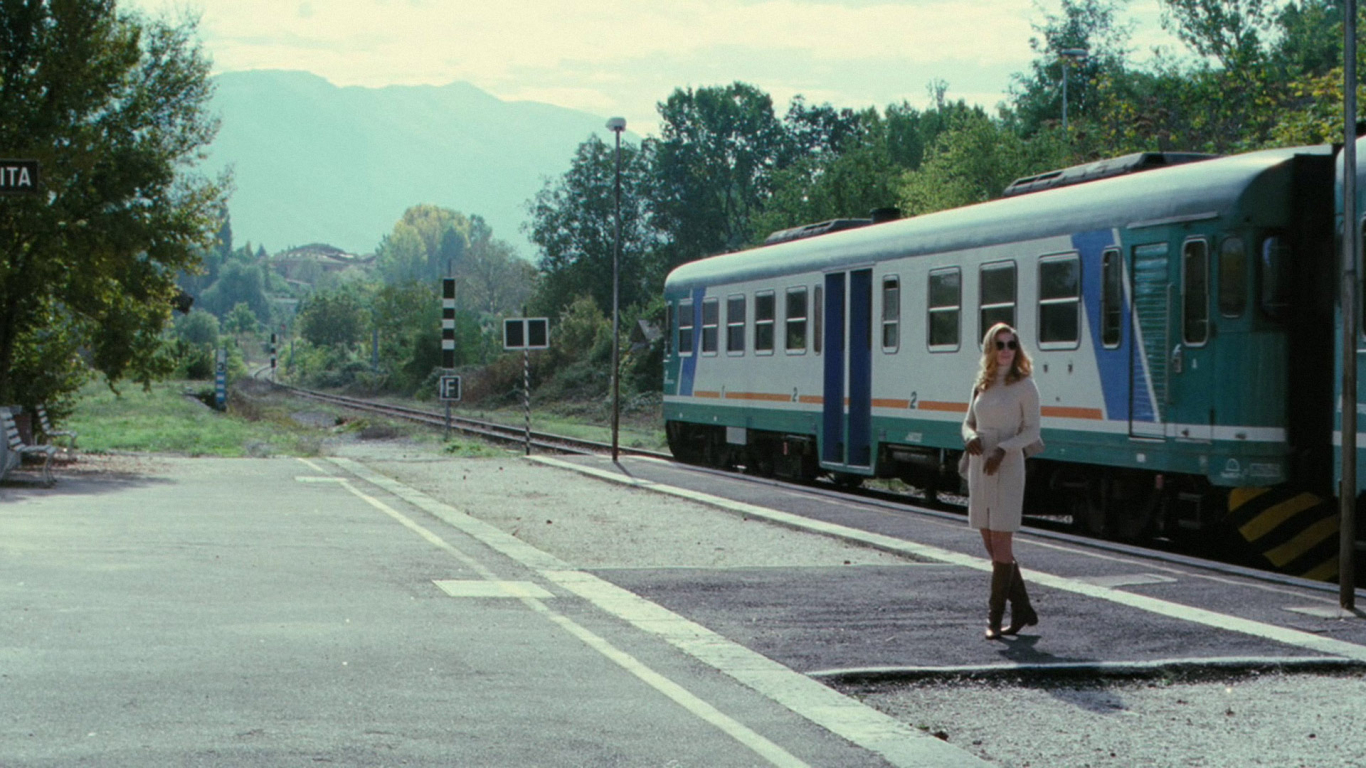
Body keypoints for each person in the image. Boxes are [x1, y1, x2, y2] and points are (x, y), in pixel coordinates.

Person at [961, 322, 1042, 640]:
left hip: (1007, 466)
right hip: (980, 463)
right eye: (1000, 344)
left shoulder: (1025, 385)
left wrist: (1004, 449)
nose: (1006, 350)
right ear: (990, 349)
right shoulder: (981, 383)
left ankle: (994, 619)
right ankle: (1023, 609)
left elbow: (1032, 431)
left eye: (1011, 344)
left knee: (1002, 543)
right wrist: (969, 436)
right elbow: (967, 421)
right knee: (989, 542)